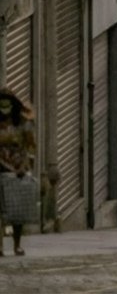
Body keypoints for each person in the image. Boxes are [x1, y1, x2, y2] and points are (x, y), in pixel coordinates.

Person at [0, 89, 36, 257]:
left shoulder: (22, 122)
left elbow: (30, 145)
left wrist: (26, 165)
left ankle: (17, 244)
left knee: (17, 209)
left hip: (18, 169)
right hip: (0, 167)